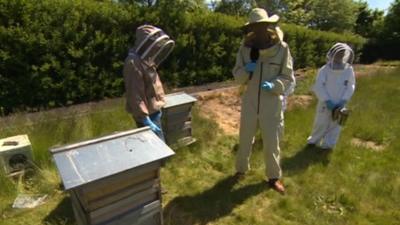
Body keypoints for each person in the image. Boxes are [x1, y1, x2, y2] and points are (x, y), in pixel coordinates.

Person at [233, 8, 295, 194]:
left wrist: (275, 85)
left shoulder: (282, 49)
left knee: (272, 141)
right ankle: (241, 170)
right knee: (245, 138)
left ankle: (273, 177)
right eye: (255, 27)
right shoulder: (244, 50)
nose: (258, 30)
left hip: (272, 102)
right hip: (250, 100)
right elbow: (237, 76)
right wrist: (247, 70)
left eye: (262, 26)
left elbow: (288, 77)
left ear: (268, 26)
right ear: (251, 28)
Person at [123, 25, 175, 140]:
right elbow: (134, 93)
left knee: (160, 147)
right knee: (157, 149)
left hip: (154, 110)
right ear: (145, 42)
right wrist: (144, 118)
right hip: (147, 115)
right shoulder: (133, 63)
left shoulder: (146, 59)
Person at [307, 43, 355, 150]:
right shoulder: (325, 69)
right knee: (320, 122)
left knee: (336, 125)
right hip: (325, 103)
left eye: (343, 54)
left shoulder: (348, 69)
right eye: (338, 54)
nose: (340, 56)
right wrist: (327, 100)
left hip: (340, 103)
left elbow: (351, 85)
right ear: (332, 54)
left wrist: (344, 100)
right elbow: (318, 86)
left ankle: (328, 145)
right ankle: (313, 141)